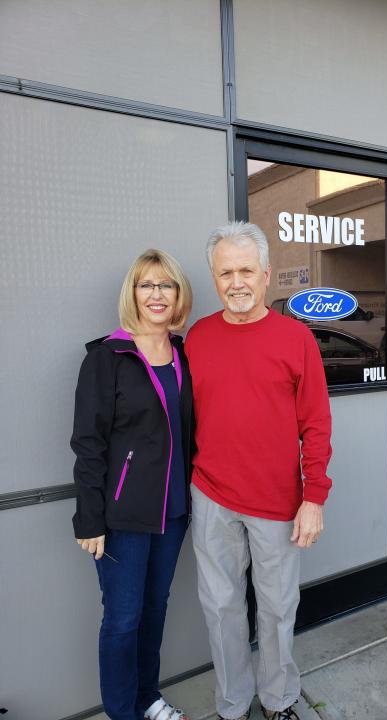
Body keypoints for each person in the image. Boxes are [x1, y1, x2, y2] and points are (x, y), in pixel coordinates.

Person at [185, 221, 332, 720]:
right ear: (214, 276)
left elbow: (316, 424)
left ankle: (279, 700)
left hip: (278, 501)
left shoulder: (296, 339)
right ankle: (232, 704)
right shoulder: (198, 338)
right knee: (221, 609)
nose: (236, 281)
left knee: (275, 610)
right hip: (211, 496)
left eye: (246, 269)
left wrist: (314, 497)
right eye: (225, 272)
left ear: (266, 274)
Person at [71, 249, 193, 720]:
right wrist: (89, 518)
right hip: (122, 518)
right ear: (133, 294)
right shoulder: (108, 357)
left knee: (154, 611)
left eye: (166, 285)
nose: (157, 294)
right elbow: (88, 443)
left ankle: (148, 698)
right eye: (147, 285)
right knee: (122, 620)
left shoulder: (183, 352)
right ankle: (123, 712)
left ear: (178, 294)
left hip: (174, 513)